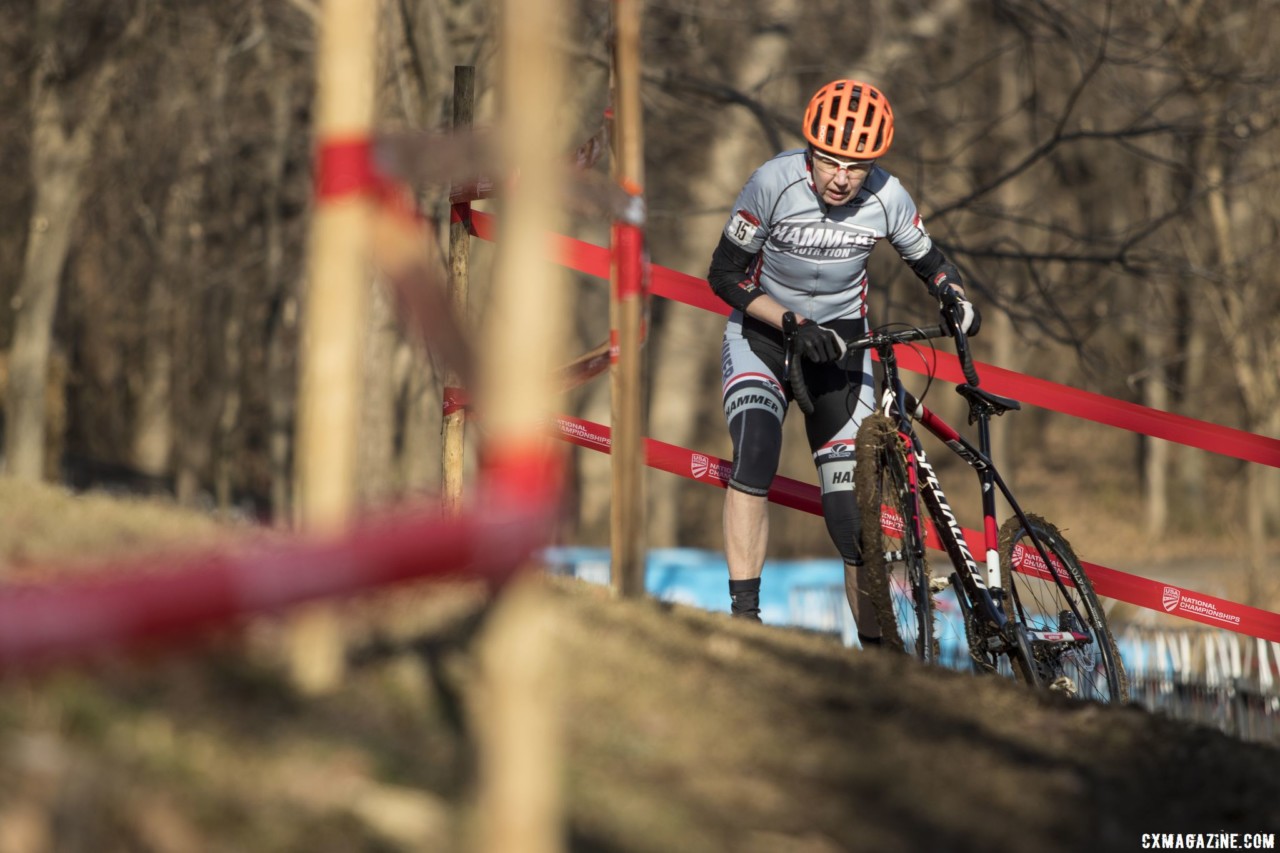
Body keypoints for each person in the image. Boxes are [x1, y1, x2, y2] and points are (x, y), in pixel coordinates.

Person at [706, 79, 980, 642]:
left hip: (840, 347)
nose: (840, 177)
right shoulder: (772, 182)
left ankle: (879, 659)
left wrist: (954, 296)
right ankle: (746, 629)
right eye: (829, 161)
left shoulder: (889, 197)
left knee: (850, 515)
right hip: (763, 336)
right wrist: (790, 323)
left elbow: (932, 263)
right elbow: (724, 274)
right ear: (810, 150)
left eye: (855, 167)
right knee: (755, 452)